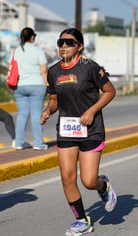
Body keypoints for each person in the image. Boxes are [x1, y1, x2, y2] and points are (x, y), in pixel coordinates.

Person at [40, 28, 117, 236]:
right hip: (67, 130)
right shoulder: (54, 72)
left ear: (79, 46)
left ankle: (103, 186)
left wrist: (92, 111)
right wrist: (48, 110)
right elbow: (54, 101)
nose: (63, 46)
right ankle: (82, 221)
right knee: (67, 177)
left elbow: (110, 91)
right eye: (60, 42)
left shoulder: (90, 68)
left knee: (88, 181)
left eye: (69, 42)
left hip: (91, 130)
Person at [10, 27, 48, 150]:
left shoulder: (15, 51)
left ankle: (19, 143)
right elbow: (43, 70)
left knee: (22, 114)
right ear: (32, 37)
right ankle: (38, 143)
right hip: (37, 85)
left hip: (19, 86)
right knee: (36, 114)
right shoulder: (38, 51)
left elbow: (12, 68)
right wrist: (47, 85)